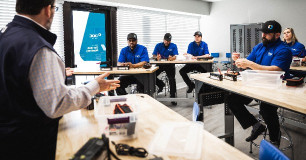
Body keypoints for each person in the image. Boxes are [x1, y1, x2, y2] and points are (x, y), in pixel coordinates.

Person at [0, 0, 120, 159]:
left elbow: (15, 78)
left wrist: (55, 72)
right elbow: (58, 104)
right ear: (48, 10)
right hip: (29, 144)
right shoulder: (39, 48)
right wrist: (94, 86)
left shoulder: (6, 34)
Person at [231, 20, 292, 146]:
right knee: (232, 99)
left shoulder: (284, 50)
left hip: (274, 87)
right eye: (263, 32)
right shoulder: (259, 47)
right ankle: (256, 125)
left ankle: (275, 139)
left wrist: (251, 65)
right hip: (256, 84)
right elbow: (247, 65)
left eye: (267, 33)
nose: (263, 35)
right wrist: (239, 61)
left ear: (277, 34)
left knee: (266, 109)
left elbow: (276, 70)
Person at [153, 33, 178, 105]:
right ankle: (161, 84)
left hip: (169, 65)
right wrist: (156, 58)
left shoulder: (173, 46)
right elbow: (154, 55)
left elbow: (175, 56)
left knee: (172, 79)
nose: (167, 42)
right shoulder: (158, 45)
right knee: (152, 75)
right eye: (166, 40)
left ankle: (173, 97)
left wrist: (172, 58)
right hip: (160, 64)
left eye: (169, 41)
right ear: (163, 40)